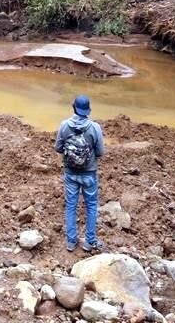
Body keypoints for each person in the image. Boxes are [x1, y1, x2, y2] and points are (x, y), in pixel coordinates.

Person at [54, 94, 105, 252]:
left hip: (70, 173)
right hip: (89, 173)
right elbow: (100, 152)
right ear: (88, 110)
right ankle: (89, 242)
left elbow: (58, 147)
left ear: (74, 107)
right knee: (91, 206)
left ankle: (71, 241)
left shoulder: (64, 125)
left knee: (71, 206)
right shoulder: (95, 128)